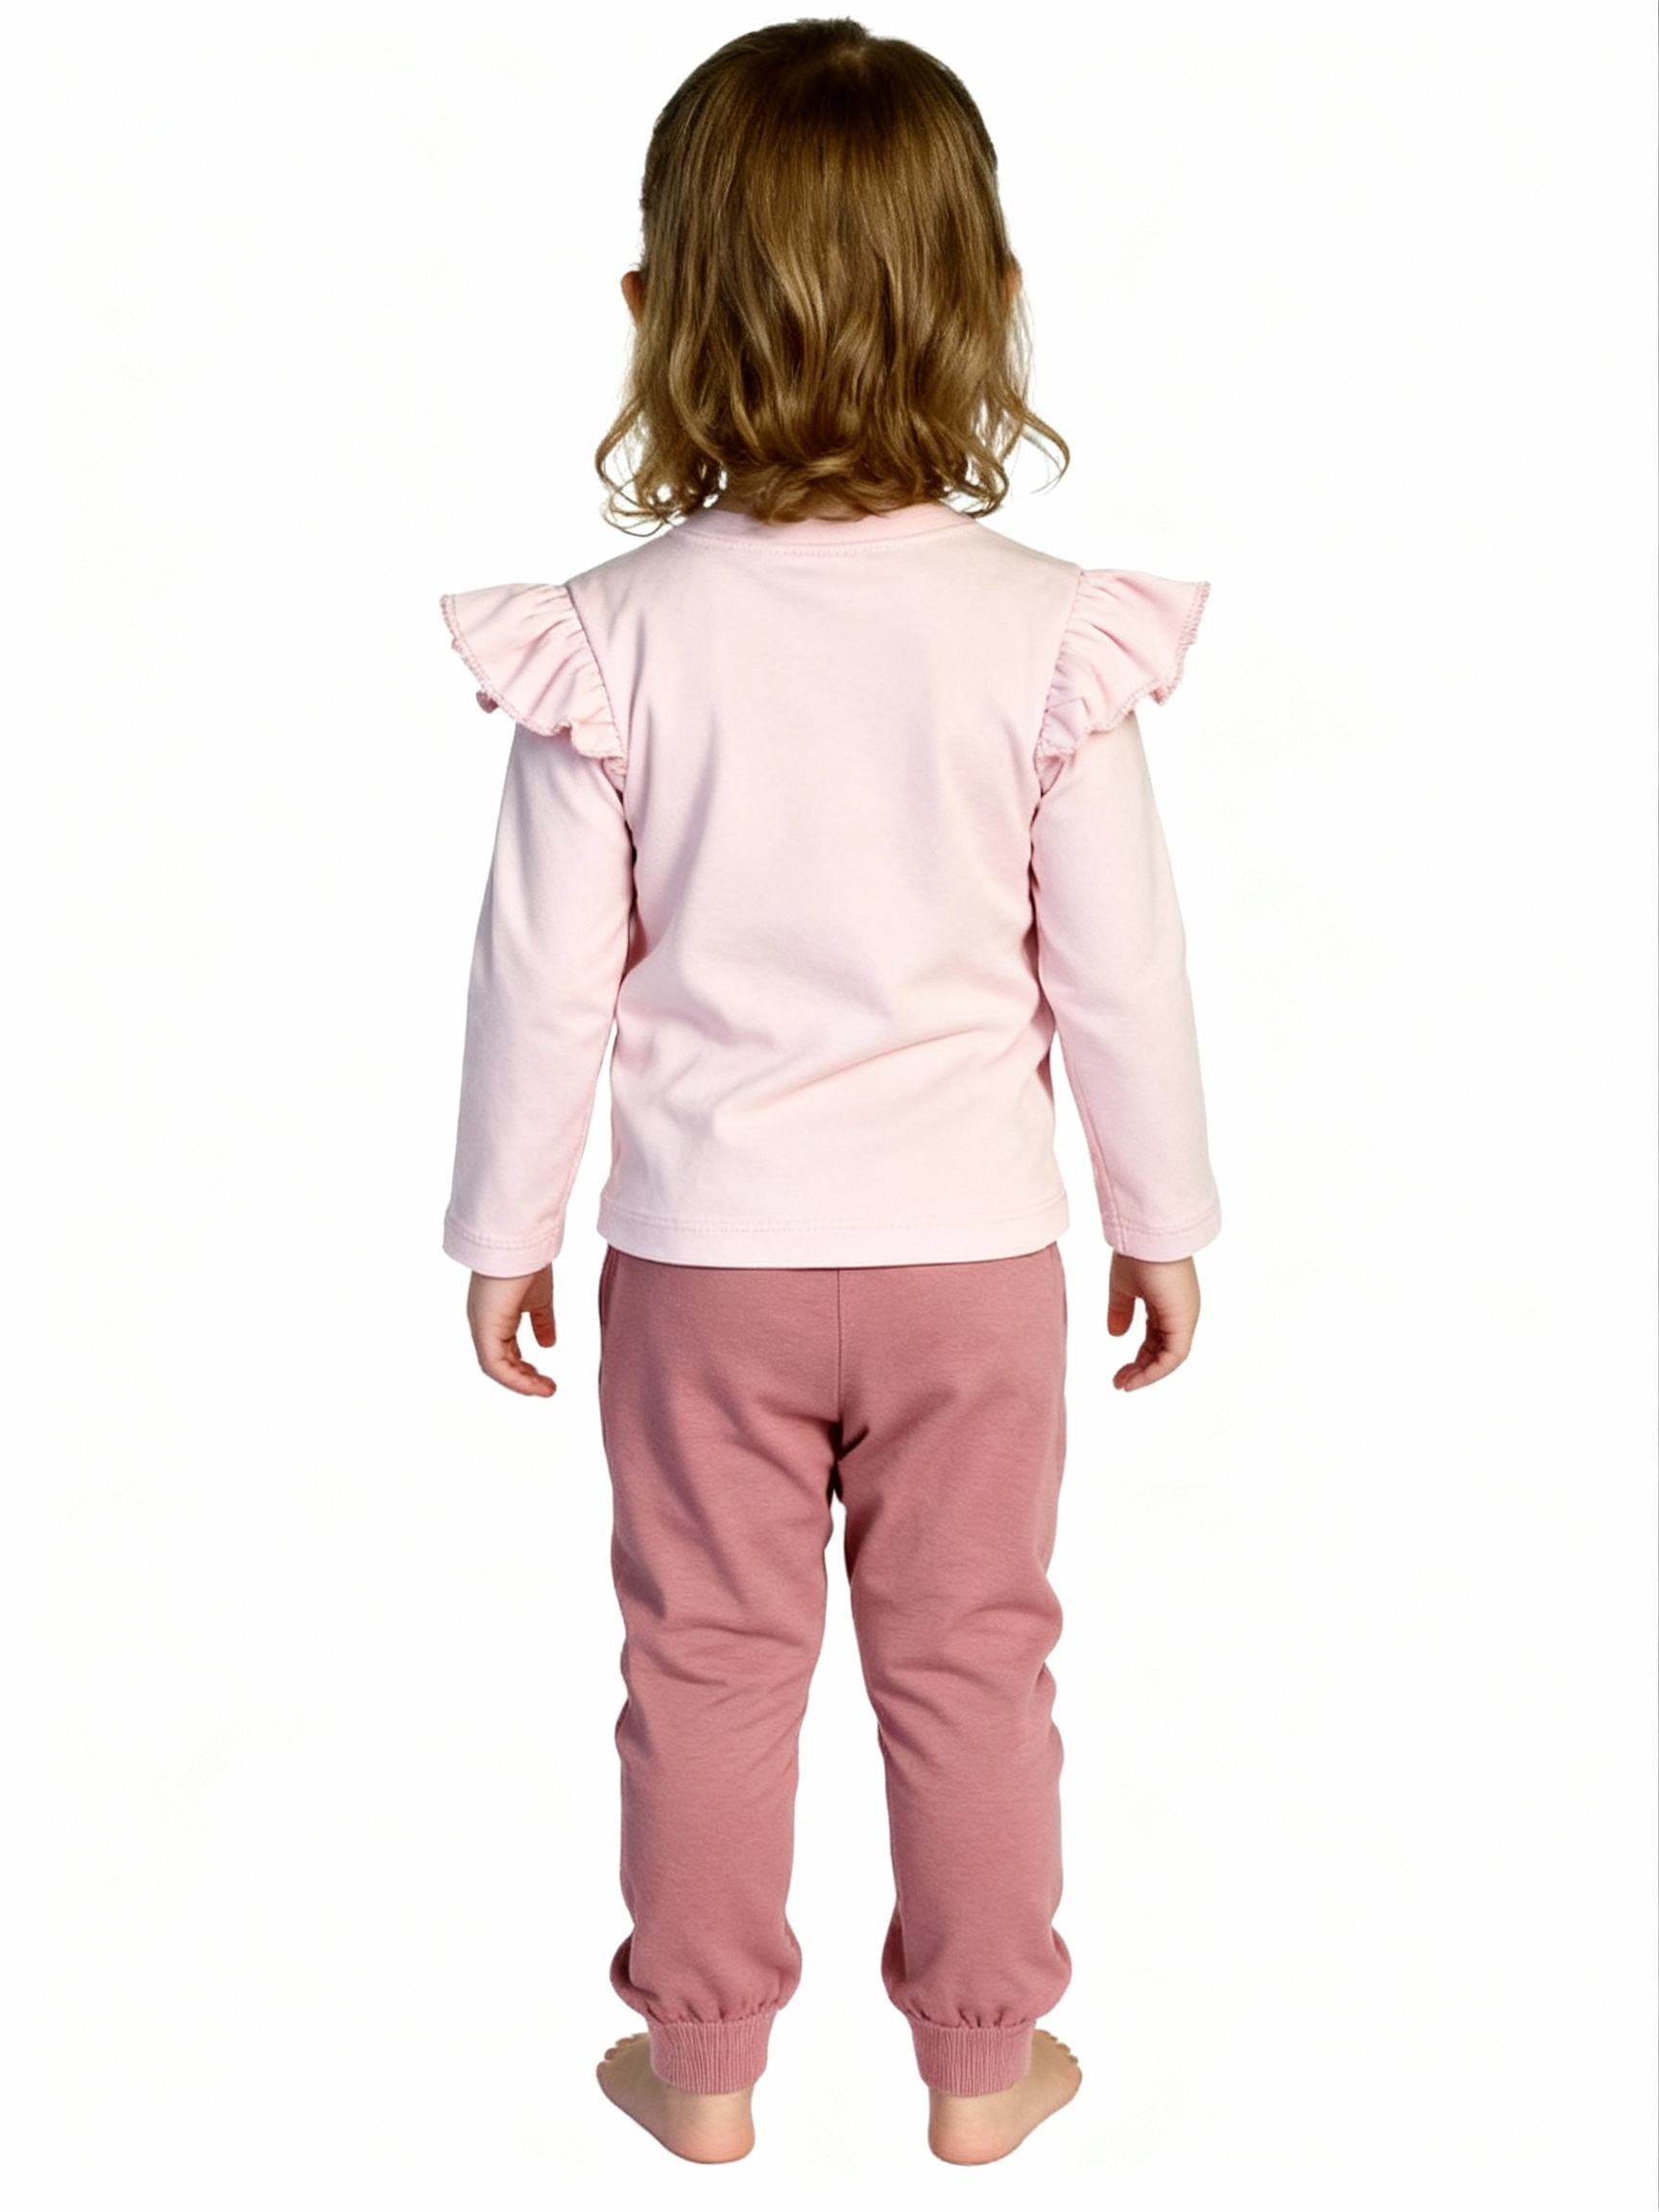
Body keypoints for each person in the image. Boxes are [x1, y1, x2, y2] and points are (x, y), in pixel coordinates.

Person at [438, 16, 1220, 2169]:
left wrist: (505, 1232)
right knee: (973, 1659)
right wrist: (1161, 1215)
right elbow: (1122, 969)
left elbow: (541, 982)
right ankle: (982, 2065)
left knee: (703, 1662)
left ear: (651, 309)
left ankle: (701, 2071)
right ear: (990, 304)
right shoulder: (1047, 637)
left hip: (707, 1267)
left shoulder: (609, 641)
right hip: (972, 1262)